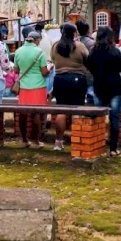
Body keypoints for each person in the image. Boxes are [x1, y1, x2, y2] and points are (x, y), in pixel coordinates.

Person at [87, 26, 121, 157]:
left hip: (99, 87)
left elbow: (89, 66)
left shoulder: (93, 51)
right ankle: (113, 148)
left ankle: (97, 146)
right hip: (114, 88)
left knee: (98, 118)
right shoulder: (115, 52)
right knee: (114, 118)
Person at [50, 22, 89, 151]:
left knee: (61, 110)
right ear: (74, 33)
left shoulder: (55, 46)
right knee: (77, 110)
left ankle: (58, 142)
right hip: (77, 80)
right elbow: (87, 60)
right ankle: (77, 141)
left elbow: (53, 59)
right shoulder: (79, 46)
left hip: (60, 79)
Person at [13, 31, 49, 148]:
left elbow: (16, 70)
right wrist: (50, 68)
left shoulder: (18, 51)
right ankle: (36, 141)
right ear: (36, 40)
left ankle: (24, 140)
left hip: (23, 87)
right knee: (36, 114)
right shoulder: (39, 52)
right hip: (38, 86)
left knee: (23, 114)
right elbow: (44, 72)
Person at [76, 20, 95, 104]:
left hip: (77, 73)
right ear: (88, 30)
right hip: (89, 74)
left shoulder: (74, 42)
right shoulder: (92, 43)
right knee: (91, 97)